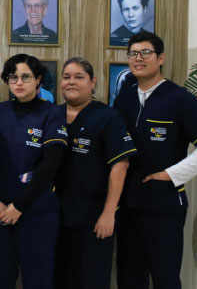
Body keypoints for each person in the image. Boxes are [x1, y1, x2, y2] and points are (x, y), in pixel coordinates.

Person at [113, 32, 197, 289]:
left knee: (165, 277)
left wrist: (170, 175)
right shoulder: (124, 97)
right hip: (128, 203)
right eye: (133, 53)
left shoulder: (179, 98)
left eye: (145, 53)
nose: (138, 58)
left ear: (160, 58)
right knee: (129, 276)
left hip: (164, 204)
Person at [0, 54, 67, 289]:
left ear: (38, 79)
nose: (19, 82)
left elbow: (51, 164)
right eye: (13, 77)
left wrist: (19, 206)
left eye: (26, 77)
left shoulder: (52, 113)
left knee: (38, 281)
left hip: (36, 212)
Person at [53, 58, 136, 289]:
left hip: (94, 219)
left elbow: (121, 165)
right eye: (66, 77)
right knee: (58, 280)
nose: (71, 82)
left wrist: (109, 213)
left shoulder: (108, 117)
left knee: (91, 280)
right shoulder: (52, 115)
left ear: (93, 82)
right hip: (54, 217)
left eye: (79, 77)